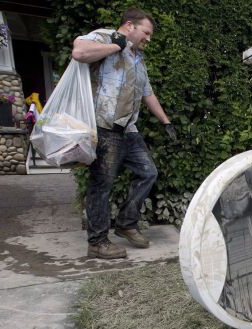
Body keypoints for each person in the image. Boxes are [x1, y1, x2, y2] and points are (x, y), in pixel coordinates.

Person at [71, 7, 176, 259]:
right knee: (101, 185)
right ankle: (97, 242)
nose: (148, 38)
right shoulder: (105, 37)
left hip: (128, 130)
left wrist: (165, 121)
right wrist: (115, 46)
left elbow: (147, 92)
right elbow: (79, 52)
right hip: (104, 127)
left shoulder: (138, 58)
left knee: (148, 172)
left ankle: (126, 223)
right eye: (146, 32)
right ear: (130, 25)